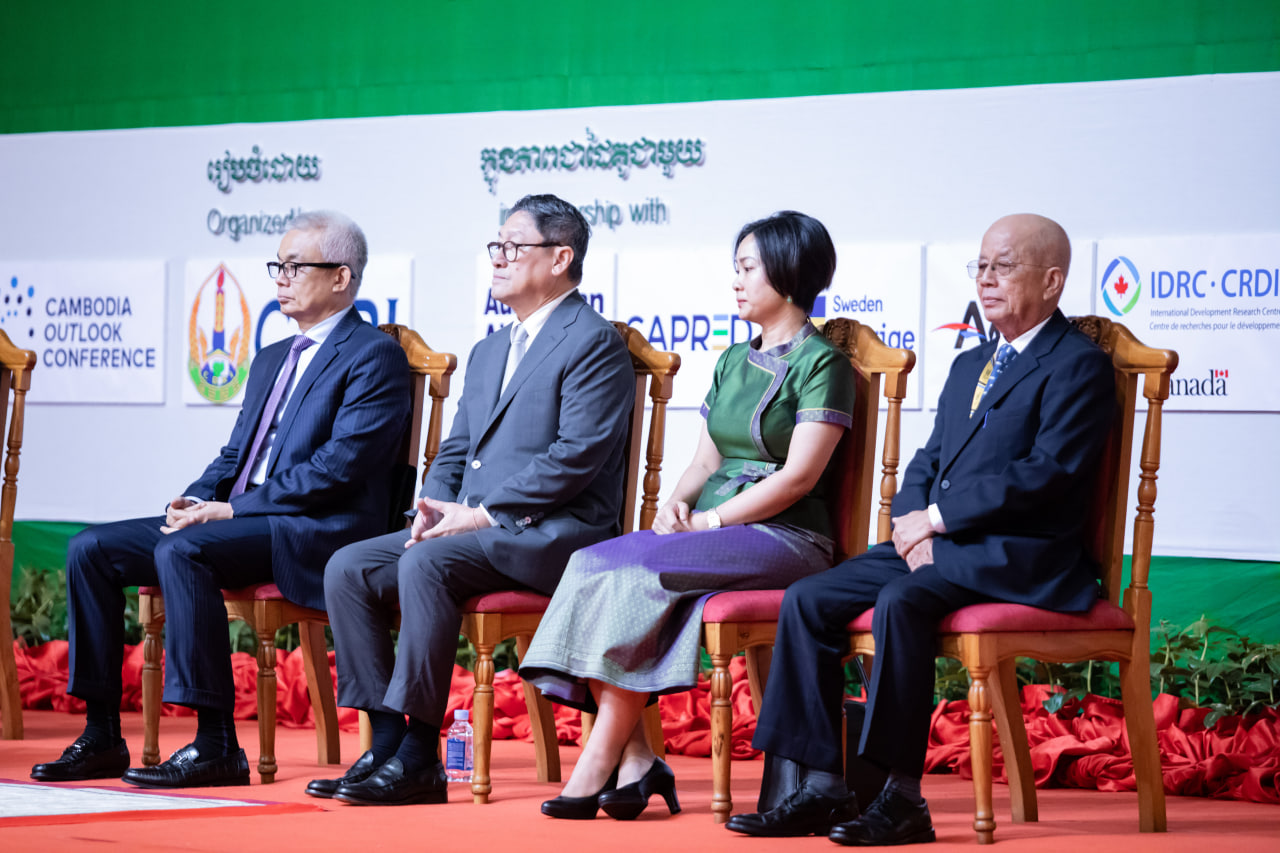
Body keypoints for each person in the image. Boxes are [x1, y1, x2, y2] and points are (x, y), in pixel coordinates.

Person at [726, 213, 1116, 845]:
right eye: (980, 266)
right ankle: (821, 786)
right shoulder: (971, 364)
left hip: (1023, 555)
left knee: (903, 601)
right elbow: (928, 461)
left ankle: (901, 797)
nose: (986, 280)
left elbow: (1047, 474)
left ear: (1052, 281)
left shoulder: (1078, 366)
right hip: (945, 541)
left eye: (1003, 267)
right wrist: (912, 523)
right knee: (809, 598)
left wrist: (935, 521)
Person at [31, 211, 412, 788]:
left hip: (316, 527)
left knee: (185, 550)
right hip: (241, 520)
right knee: (92, 548)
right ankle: (102, 734)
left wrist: (232, 510)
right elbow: (237, 454)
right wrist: (197, 498)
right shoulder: (272, 357)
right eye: (277, 266)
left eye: (295, 267)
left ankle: (215, 746)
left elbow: (339, 468)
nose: (280, 278)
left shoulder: (373, 355)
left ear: (340, 277)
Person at [518, 210, 857, 821]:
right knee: (590, 563)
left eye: (748, 268)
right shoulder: (731, 360)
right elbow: (704, 461)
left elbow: (798, 478)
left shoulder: (822, 364)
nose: (736, 280)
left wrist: (710, 522)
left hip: (787, 535)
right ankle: (637, 761)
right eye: (736, 267)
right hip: (714, 528)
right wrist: (675, 506)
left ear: (788, 274)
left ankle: (599, 764)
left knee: (638, 576)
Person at [311, 193, 635, 807]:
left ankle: (419, 756)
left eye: (514, 246)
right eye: (497, 246)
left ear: (560, 258)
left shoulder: (591, 341)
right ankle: (386, 744)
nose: (499, 258)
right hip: (475, 529)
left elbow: (576, 456)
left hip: (557, 534)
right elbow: (456, 449)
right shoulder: (489, 351)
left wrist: (483, 514)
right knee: (349, 567)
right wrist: (432, 509)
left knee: (427, 563)